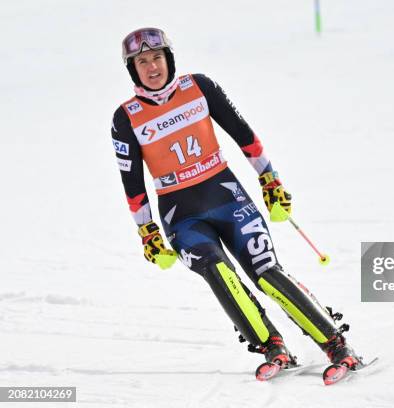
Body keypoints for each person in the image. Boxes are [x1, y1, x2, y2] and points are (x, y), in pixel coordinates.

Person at [110, 27, 360, 372]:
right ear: (132, 70)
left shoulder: (199, 87)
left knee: (265, 272)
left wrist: (269, 180)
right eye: (142, 62)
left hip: (228, 198)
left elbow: (245, 137)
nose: (152, 67)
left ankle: (336, 345)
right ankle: (272, 347)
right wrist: (147, 232)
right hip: (181, 216)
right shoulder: (126, 117)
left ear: (168, 58)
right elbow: (133, 185)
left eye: (156, 58)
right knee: (219, 272)